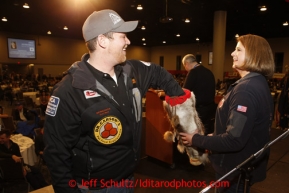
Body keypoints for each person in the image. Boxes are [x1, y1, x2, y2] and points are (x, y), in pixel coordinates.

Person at [43, 9, 185, 193]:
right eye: (123, 36)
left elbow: (158, 72)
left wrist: (182, 105)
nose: (128, 41)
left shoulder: (131, 71)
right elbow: (56, 156)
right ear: (102, 41)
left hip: (128, 180)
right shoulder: (69, 91)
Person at [180, 34, 275, 193]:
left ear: (253, 55)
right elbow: (242, 130)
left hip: (233, 169)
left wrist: (196, 139)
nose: (232, 53)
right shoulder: (257, 82)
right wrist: (214, 136)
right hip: (242, 166)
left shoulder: (246, 89)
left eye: (238, 50)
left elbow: (234, 140)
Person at [182, 54, 216, 135]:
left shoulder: (193, 72)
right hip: (211, 109)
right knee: (206, 134)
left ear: (187, 63)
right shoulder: (209, 71)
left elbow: (184, 92)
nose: (185, 69)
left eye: (184, 66)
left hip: (199, 111)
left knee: (196, 136)